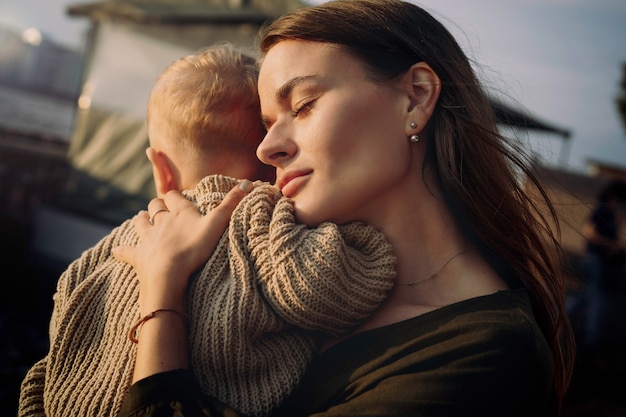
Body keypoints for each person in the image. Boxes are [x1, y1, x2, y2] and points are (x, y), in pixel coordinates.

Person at [111, 1, 576, 416]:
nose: (267, 149)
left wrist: (163, 295)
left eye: (304, 104)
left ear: (415, 96)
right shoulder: (295, 283)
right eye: (268, 124)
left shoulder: (487, 353)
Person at [18, 42, 397, 417]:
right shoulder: (260, 222)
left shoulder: (105, 252)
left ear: (161, 170)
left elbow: (48, 369)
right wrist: (364, 238)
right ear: (272, 160)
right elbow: (328, 287)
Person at [567, 180, 626, 352]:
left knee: (584, 296)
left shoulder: (612, 213)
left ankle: (557, 318)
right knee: (598, 298)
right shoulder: (603, 209)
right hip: (594, 260)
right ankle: (593, 340)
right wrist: (614, 245)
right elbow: (589, 233)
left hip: (600, 261)